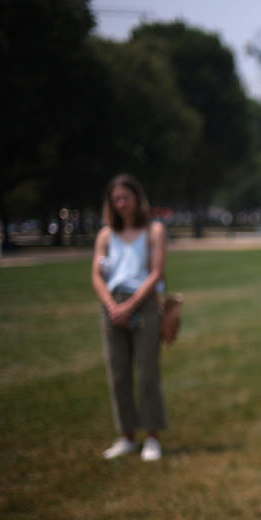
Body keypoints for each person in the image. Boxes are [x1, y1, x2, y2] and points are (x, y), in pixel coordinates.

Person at [91, 174, 168, 461]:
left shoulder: (154, 230)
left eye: (126, 197)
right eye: (116, 199)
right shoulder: (106, 235)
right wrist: (113, 306)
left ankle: (152, 437)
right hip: (113, 305)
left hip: (144, 304)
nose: (121, 203)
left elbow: (157, 272)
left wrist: (131, 306)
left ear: (138, 198)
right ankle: (126, 436)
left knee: (148, 373)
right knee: (119, 374)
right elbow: (97, 276)